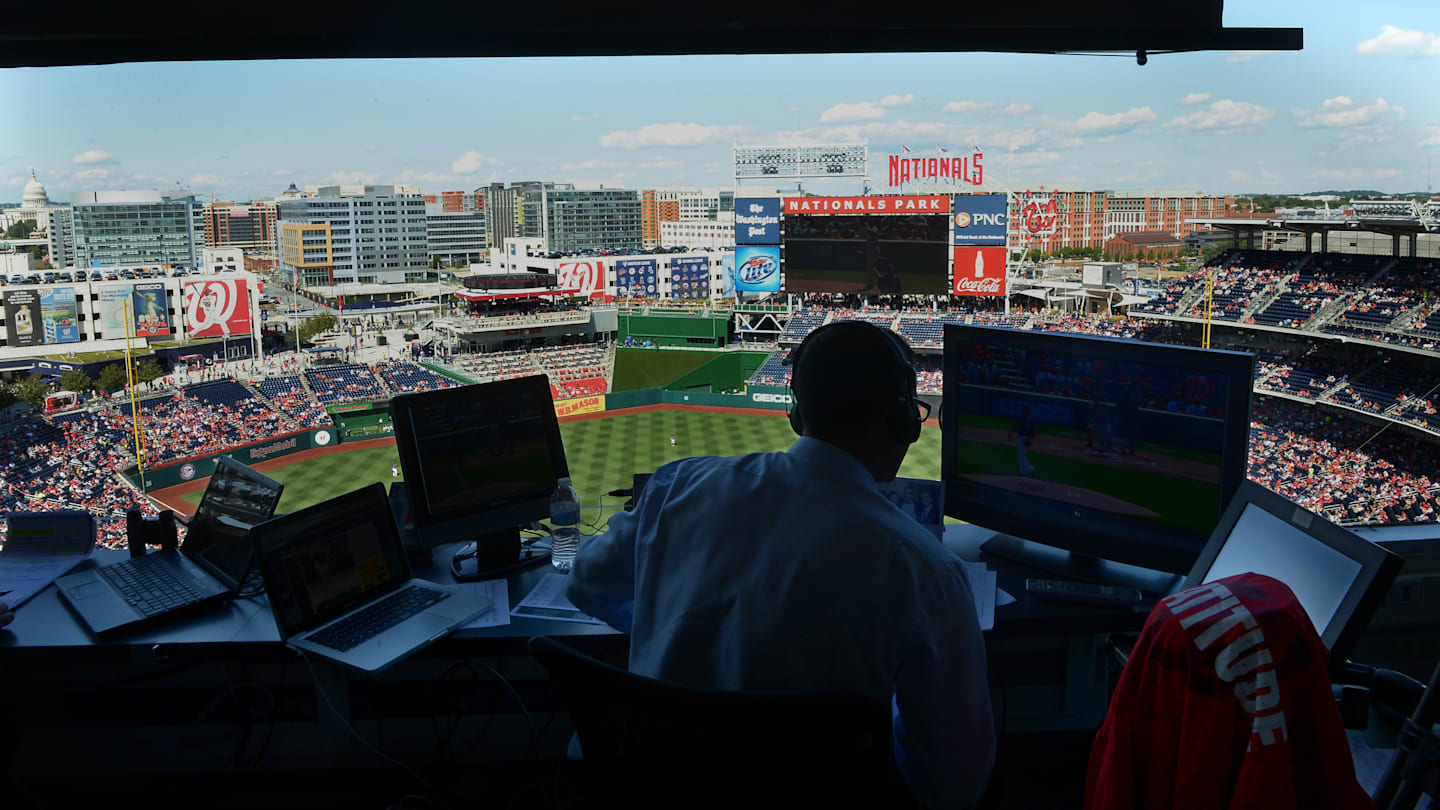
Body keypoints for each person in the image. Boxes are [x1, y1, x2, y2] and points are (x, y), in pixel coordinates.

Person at [567, 320, 994, 809]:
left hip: (658, 790)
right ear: (902, 422)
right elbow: (954, 784)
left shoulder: (676, 488)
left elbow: (586, 585)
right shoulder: (927, 570)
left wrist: (681, 623)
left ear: (795, 414)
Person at [1008, 404, 1038, 477]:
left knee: (1021, 456)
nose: (1025, 412)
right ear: (1023, 411)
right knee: (1022, 456)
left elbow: (1033, 432)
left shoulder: (1030, 420)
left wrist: (1029, 439)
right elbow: (1014, 426)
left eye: (1027, 411)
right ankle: (1031, 469)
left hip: (1026, 439)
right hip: (1021, 438)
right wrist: (1011, 433)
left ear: (1028, 412)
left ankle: (1024, 473)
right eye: (1024, 411)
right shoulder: (1020, 419)